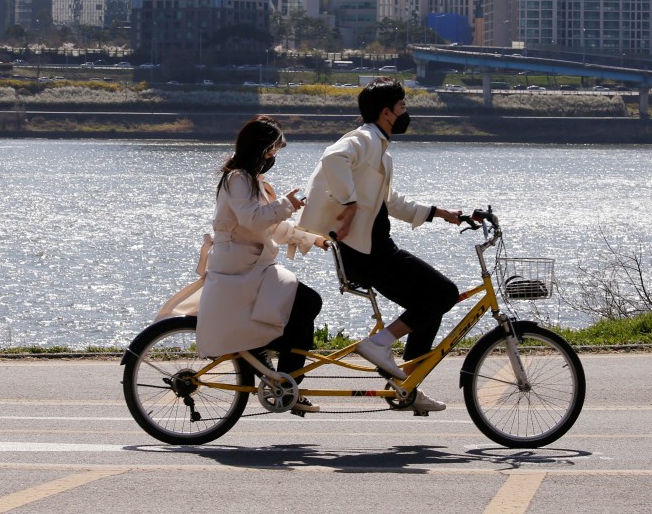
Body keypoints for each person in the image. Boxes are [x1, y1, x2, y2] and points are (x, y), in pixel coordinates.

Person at [298, 79, 461, 413]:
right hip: (369, 253)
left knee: (428, 307)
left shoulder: (379, 148)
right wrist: (350, 203)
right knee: (444, 293)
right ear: (387, 113)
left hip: (373, 250)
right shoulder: (365, 138)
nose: (405, 113)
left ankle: (405, 386)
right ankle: (379, 343)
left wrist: (439, 213)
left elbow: (390, 202)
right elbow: (333, 158)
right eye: (402, 106)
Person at [195, 115, 328, 414]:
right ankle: (285, 381)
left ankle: (277, 372)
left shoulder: (252, 180)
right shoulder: (237, 178)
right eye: (272, 151)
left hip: (252, 267)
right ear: (261, 148)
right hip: (239, 269)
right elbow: (254, 220)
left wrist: (313, 239)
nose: (274, 157)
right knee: (307, 302)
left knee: (305, 304)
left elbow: (268, 228)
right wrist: (288, 204)